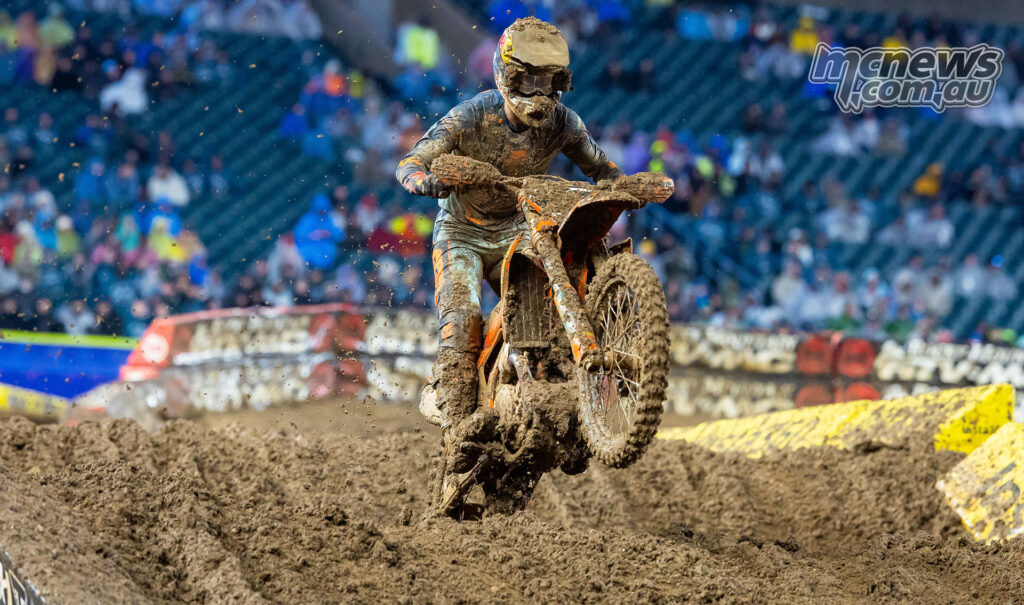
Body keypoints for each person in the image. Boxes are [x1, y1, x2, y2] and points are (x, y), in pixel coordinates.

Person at [394, 18, 622, 449]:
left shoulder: (564, 124)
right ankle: (458, 425)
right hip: (461, 232)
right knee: (463, 321)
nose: (539, 94)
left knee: (558, 295)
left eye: (550, 82)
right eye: (529, 80)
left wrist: (623, 187)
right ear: (507, 74)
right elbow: (411, 161)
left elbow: (603, 169)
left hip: (520, 226)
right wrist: (427, 182)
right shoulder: (472, 116)